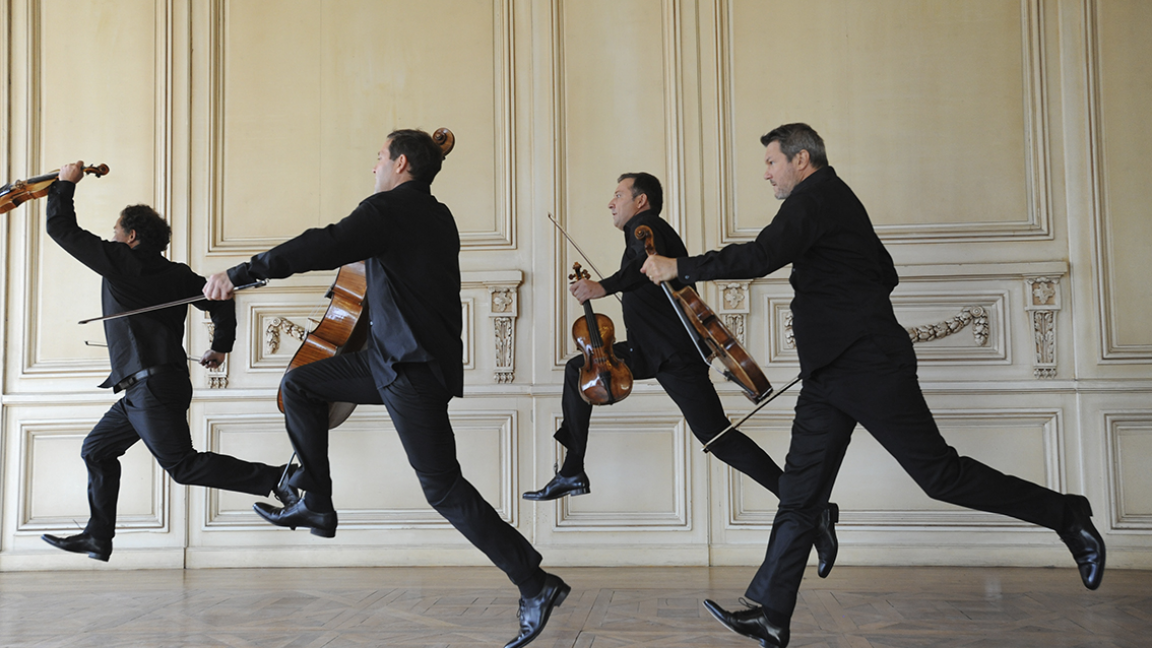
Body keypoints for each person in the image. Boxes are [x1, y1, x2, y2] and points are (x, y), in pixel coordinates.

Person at [640, 123, 1105, 648]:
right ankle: (770, 614)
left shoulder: (816, 198)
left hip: (868, 367)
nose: (766, 171)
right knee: (799, 495)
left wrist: (678, 265)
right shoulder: (832, 203)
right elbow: (883, 271)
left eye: (771, 161)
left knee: (940, 476)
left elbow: (760, 257)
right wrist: (839, 316)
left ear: (801, 159)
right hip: (831, 373)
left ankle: (1067, 514)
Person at [202, 129, 566, 648]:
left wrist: (242, 273)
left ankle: (536, 584)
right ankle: (318, 502)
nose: (372, 166)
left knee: (443, 488)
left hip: (410, 370)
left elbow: (321, 243)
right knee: (302, 383)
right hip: (391, 360)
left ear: (399, 164)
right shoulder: (436, 214)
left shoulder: (388, 211)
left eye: (378, 158)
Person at [526, 172, 838, 578]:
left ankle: (812, 511)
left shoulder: (647, 228)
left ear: (640, 201)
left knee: (720, 439)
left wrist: (600, 288)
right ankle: (572, 470)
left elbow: (642, 265)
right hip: (648, 352)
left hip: (673, 356)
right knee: (576, 370)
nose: (611, 202)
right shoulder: (640, 234)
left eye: (618, 194)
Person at [40, 162, 295, 563]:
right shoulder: (177, 274)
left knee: (182, 465)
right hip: (147, 387)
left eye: (116, 232)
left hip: (151, 388)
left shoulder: (122, 261)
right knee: (97, 450)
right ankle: (97, 536)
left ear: (132, 236)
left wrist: (64, 185)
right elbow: (219, 299)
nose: (112, 238)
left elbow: (62, 229)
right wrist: (220, 346)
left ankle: (280, 477)